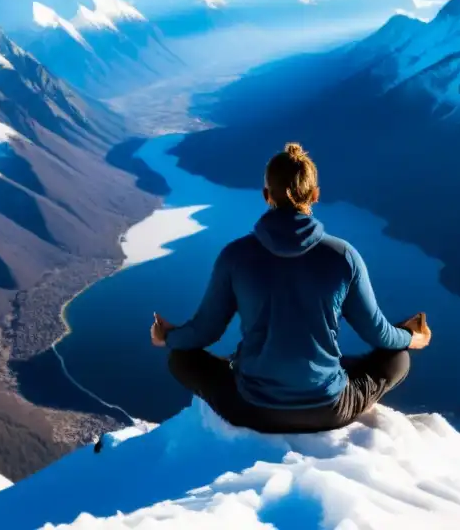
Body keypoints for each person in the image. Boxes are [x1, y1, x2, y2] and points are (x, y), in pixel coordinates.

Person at [150, 142, 432, 434]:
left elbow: (204, 332)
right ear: (315, 195)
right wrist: (411, 336)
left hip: (251, 409)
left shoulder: (235, 256)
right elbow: (378, 334)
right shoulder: (343, 256)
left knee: (181, 358)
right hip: (329, 409)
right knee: (398, 358)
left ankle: (246, 365)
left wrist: (168, 337)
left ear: (266, 195)